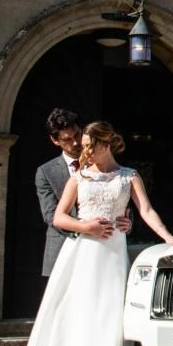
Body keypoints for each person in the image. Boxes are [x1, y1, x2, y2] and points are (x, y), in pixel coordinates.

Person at [0, 121, 173, 346]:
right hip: (83, 252)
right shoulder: (79, 178)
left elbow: (145, 210)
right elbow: (58, 217)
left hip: (113, 254)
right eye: (84, 146)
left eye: (90, 146)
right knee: (77, 314)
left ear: (107, 144)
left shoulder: (129, 176)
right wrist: (86, 226)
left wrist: (169, 238)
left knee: (110, 316)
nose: (85, 151)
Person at [34, 108, 128, 276]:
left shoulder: (105, 162)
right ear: (55, 141)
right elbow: (50, 215)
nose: (76, 143)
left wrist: (127, 221)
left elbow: (120, 196)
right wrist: (86, 228)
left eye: (77, 135)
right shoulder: (45, 172)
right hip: (63, 248)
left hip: (105, 248)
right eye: (67, 139)